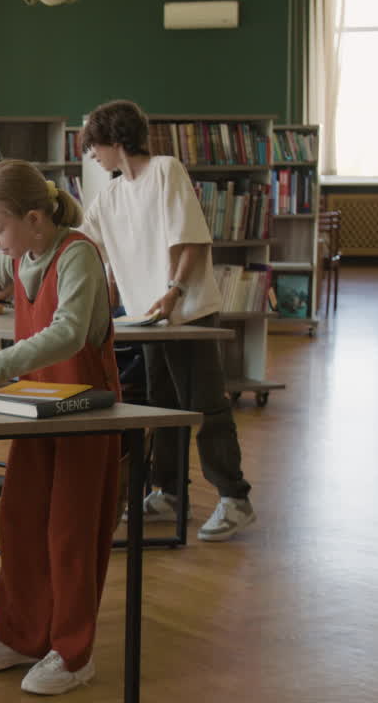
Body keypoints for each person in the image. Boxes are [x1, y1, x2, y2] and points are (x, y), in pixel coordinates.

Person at [0, 159, 119, 696]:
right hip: (34, 408)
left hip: (84, 410)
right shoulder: (17, 255)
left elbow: (67, 335)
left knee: (70, 534)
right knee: (20, 520)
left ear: (35, 218)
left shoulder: (76, 255)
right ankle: (20, 635)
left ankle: (71, 652)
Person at [79, 99, 256, 542]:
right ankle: (169, 492)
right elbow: (84, 241)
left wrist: (174, 289)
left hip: (187, 310)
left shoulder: (165, 169)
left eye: (95, 147)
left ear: (117, 140)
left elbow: (190, 237)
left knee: (205, 405)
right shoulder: (112, 194)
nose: (93, 156)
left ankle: (235, 498)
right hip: (146, 319)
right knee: (162, 406)